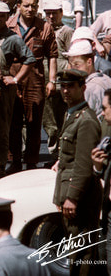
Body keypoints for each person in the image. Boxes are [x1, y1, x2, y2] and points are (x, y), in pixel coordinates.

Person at [52, 69, 102, 275]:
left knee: (82, 256)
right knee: (77, 251)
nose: (65, 91)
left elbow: (84, 165)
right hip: (71, 193)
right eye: (62, 86)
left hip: (81, 198)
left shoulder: (86, 120)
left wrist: (71, 197)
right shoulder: (72, 113)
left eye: (70, 86)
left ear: (82, 88)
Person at [7, 0, 57, 173]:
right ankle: (14, 160)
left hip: (35, 77)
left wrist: (52, 80)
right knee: (13, 120)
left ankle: (31, 161)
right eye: (26, 5)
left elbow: (52, 56)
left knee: (34, 121)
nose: (30, 9)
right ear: (19, 5)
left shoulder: (44, 27)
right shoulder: (8, 25)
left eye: (34, 6)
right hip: (12, 74)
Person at [0, 2, 35, 182]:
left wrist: (15, 79)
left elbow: (29, 59)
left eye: (2, 15)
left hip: (5, 89)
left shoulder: (13, 38)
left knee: (2, 129)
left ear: (8, 18)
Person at [42, 1, 73, 160]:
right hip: (45, 81)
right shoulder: (42, 30)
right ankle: (53, 153)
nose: (51, 16)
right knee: (49, 121)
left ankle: (62, 153)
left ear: (61, 12)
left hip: (62, 82)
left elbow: (72, 57)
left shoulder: (67, 31)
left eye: (55, 13)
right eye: (48, 13)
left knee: (63, 118)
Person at [91, 89, 111, 275]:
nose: (102, 112)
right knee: (103, 257)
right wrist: (97, 166)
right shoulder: (107, 133)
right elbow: (102, 169)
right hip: (108, 208)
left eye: (105, 108)